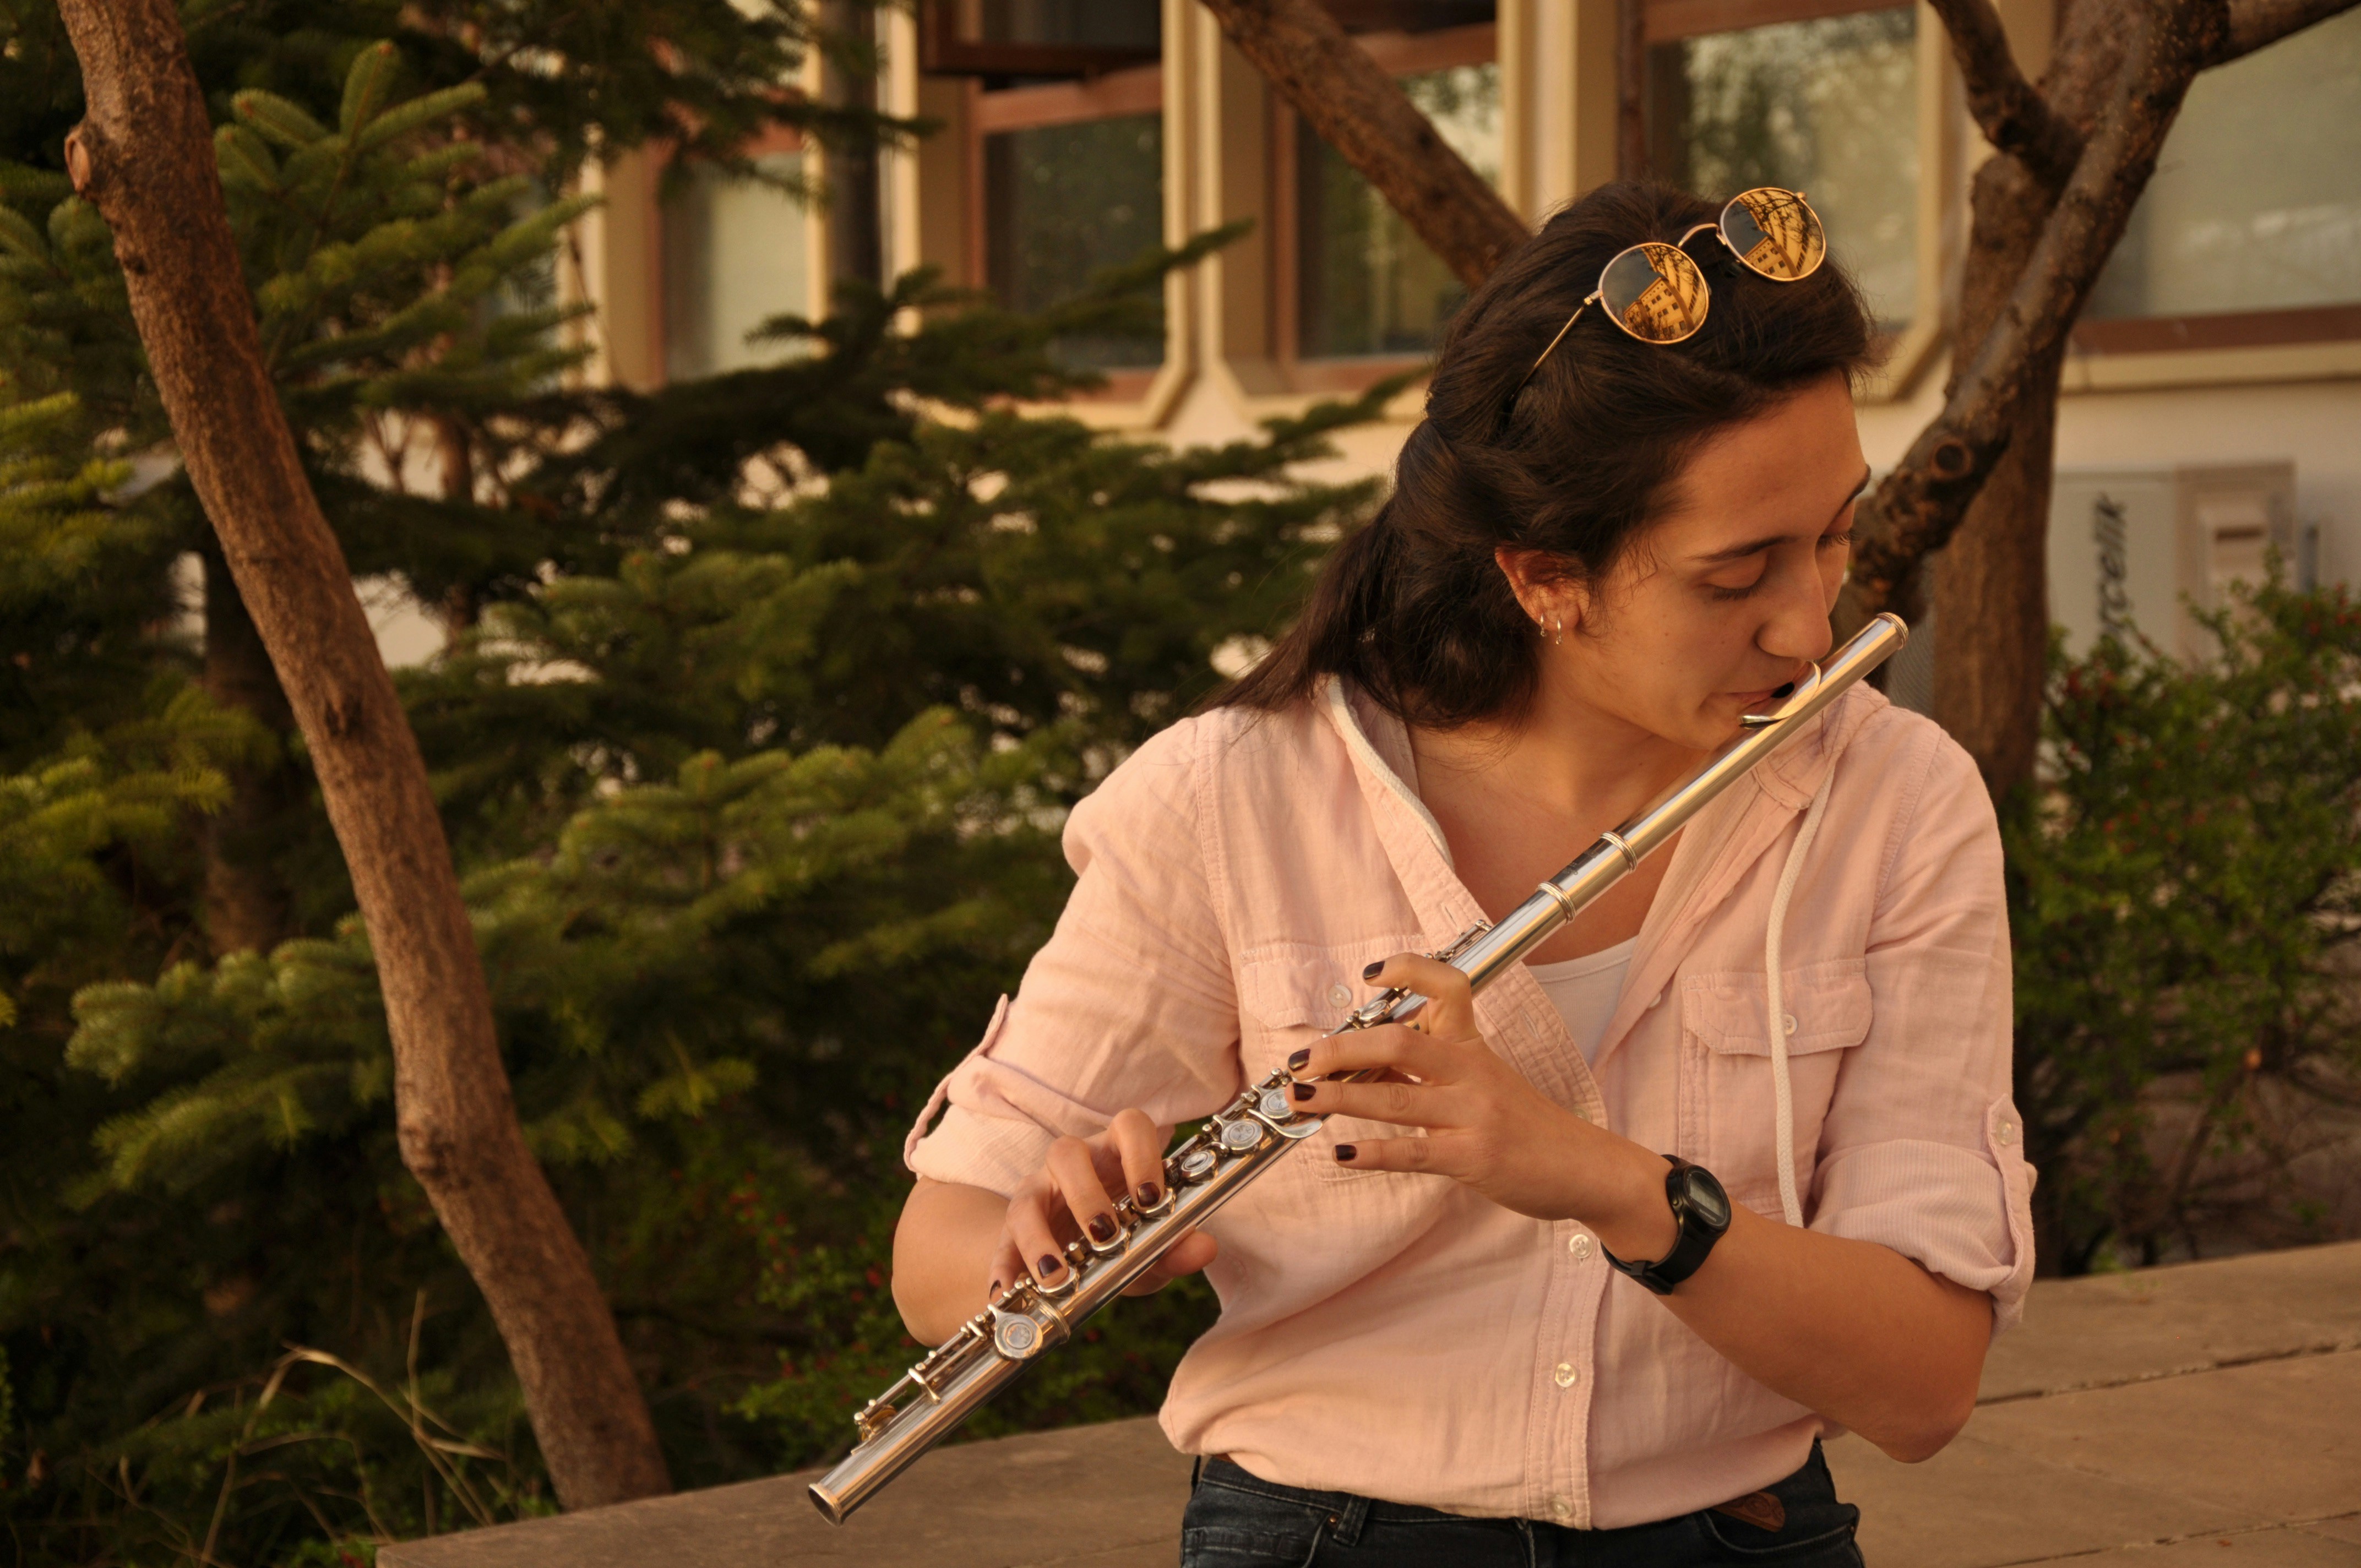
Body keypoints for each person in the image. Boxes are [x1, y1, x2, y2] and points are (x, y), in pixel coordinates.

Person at [890, 182, 2034, 1567]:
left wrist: (1608, 1185)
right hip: (1318, 1534)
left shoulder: (1894, 802)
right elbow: (936, 1253)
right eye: (1735, 576)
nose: (1811, 621)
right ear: (1544, 577)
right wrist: (1054, 1238)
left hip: (1736, 1534)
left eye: (1833, 534)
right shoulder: (1232, 795)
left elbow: (1922, 1387)